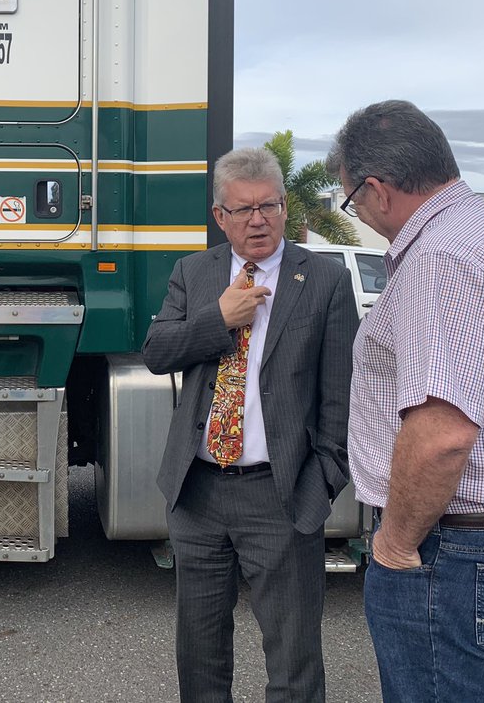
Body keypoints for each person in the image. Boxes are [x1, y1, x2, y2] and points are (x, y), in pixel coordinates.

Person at [326, 100, 484, 703]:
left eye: (350, 200)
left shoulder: (441, 258)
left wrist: (394, 545)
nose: (356, 213)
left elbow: (442, 436)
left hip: (458, 547)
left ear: (377, 190)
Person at [143, 146, 358, 703]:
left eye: (268, 206)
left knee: (293, 658)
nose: (257, 220)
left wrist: (318, 488)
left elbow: (342, 399)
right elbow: (158, 350)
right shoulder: (196, 272)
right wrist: (218, 319)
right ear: (221, 217)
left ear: (285, 208)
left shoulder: (326, 280)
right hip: (199, 491)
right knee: (200, 652)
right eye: (242, 210)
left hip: (279, 494)